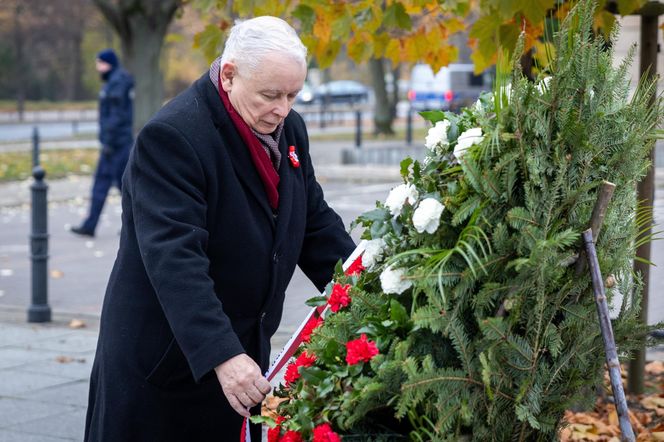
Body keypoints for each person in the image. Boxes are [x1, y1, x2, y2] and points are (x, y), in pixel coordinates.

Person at [84, 17, 355, 441]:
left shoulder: (288, 128)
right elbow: (175, 259)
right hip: (169, 365)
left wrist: (364, 292)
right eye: (270, 95)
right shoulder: (173, 136)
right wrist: (223, 353)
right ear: (229, 75)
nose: (283, 109)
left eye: (292, 95)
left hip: (240, 356)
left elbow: (314, 224)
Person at [71, 48, 134, 237]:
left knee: (124, 187)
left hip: (117, 144)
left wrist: (108, 142)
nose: (98, 68)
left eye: (101, 63)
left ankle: (132, 226)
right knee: (109, 185)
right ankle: (91, 225)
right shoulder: (115, 81)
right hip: (114, 144)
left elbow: (116, 117)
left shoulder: (117, 83)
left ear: (110, 63)